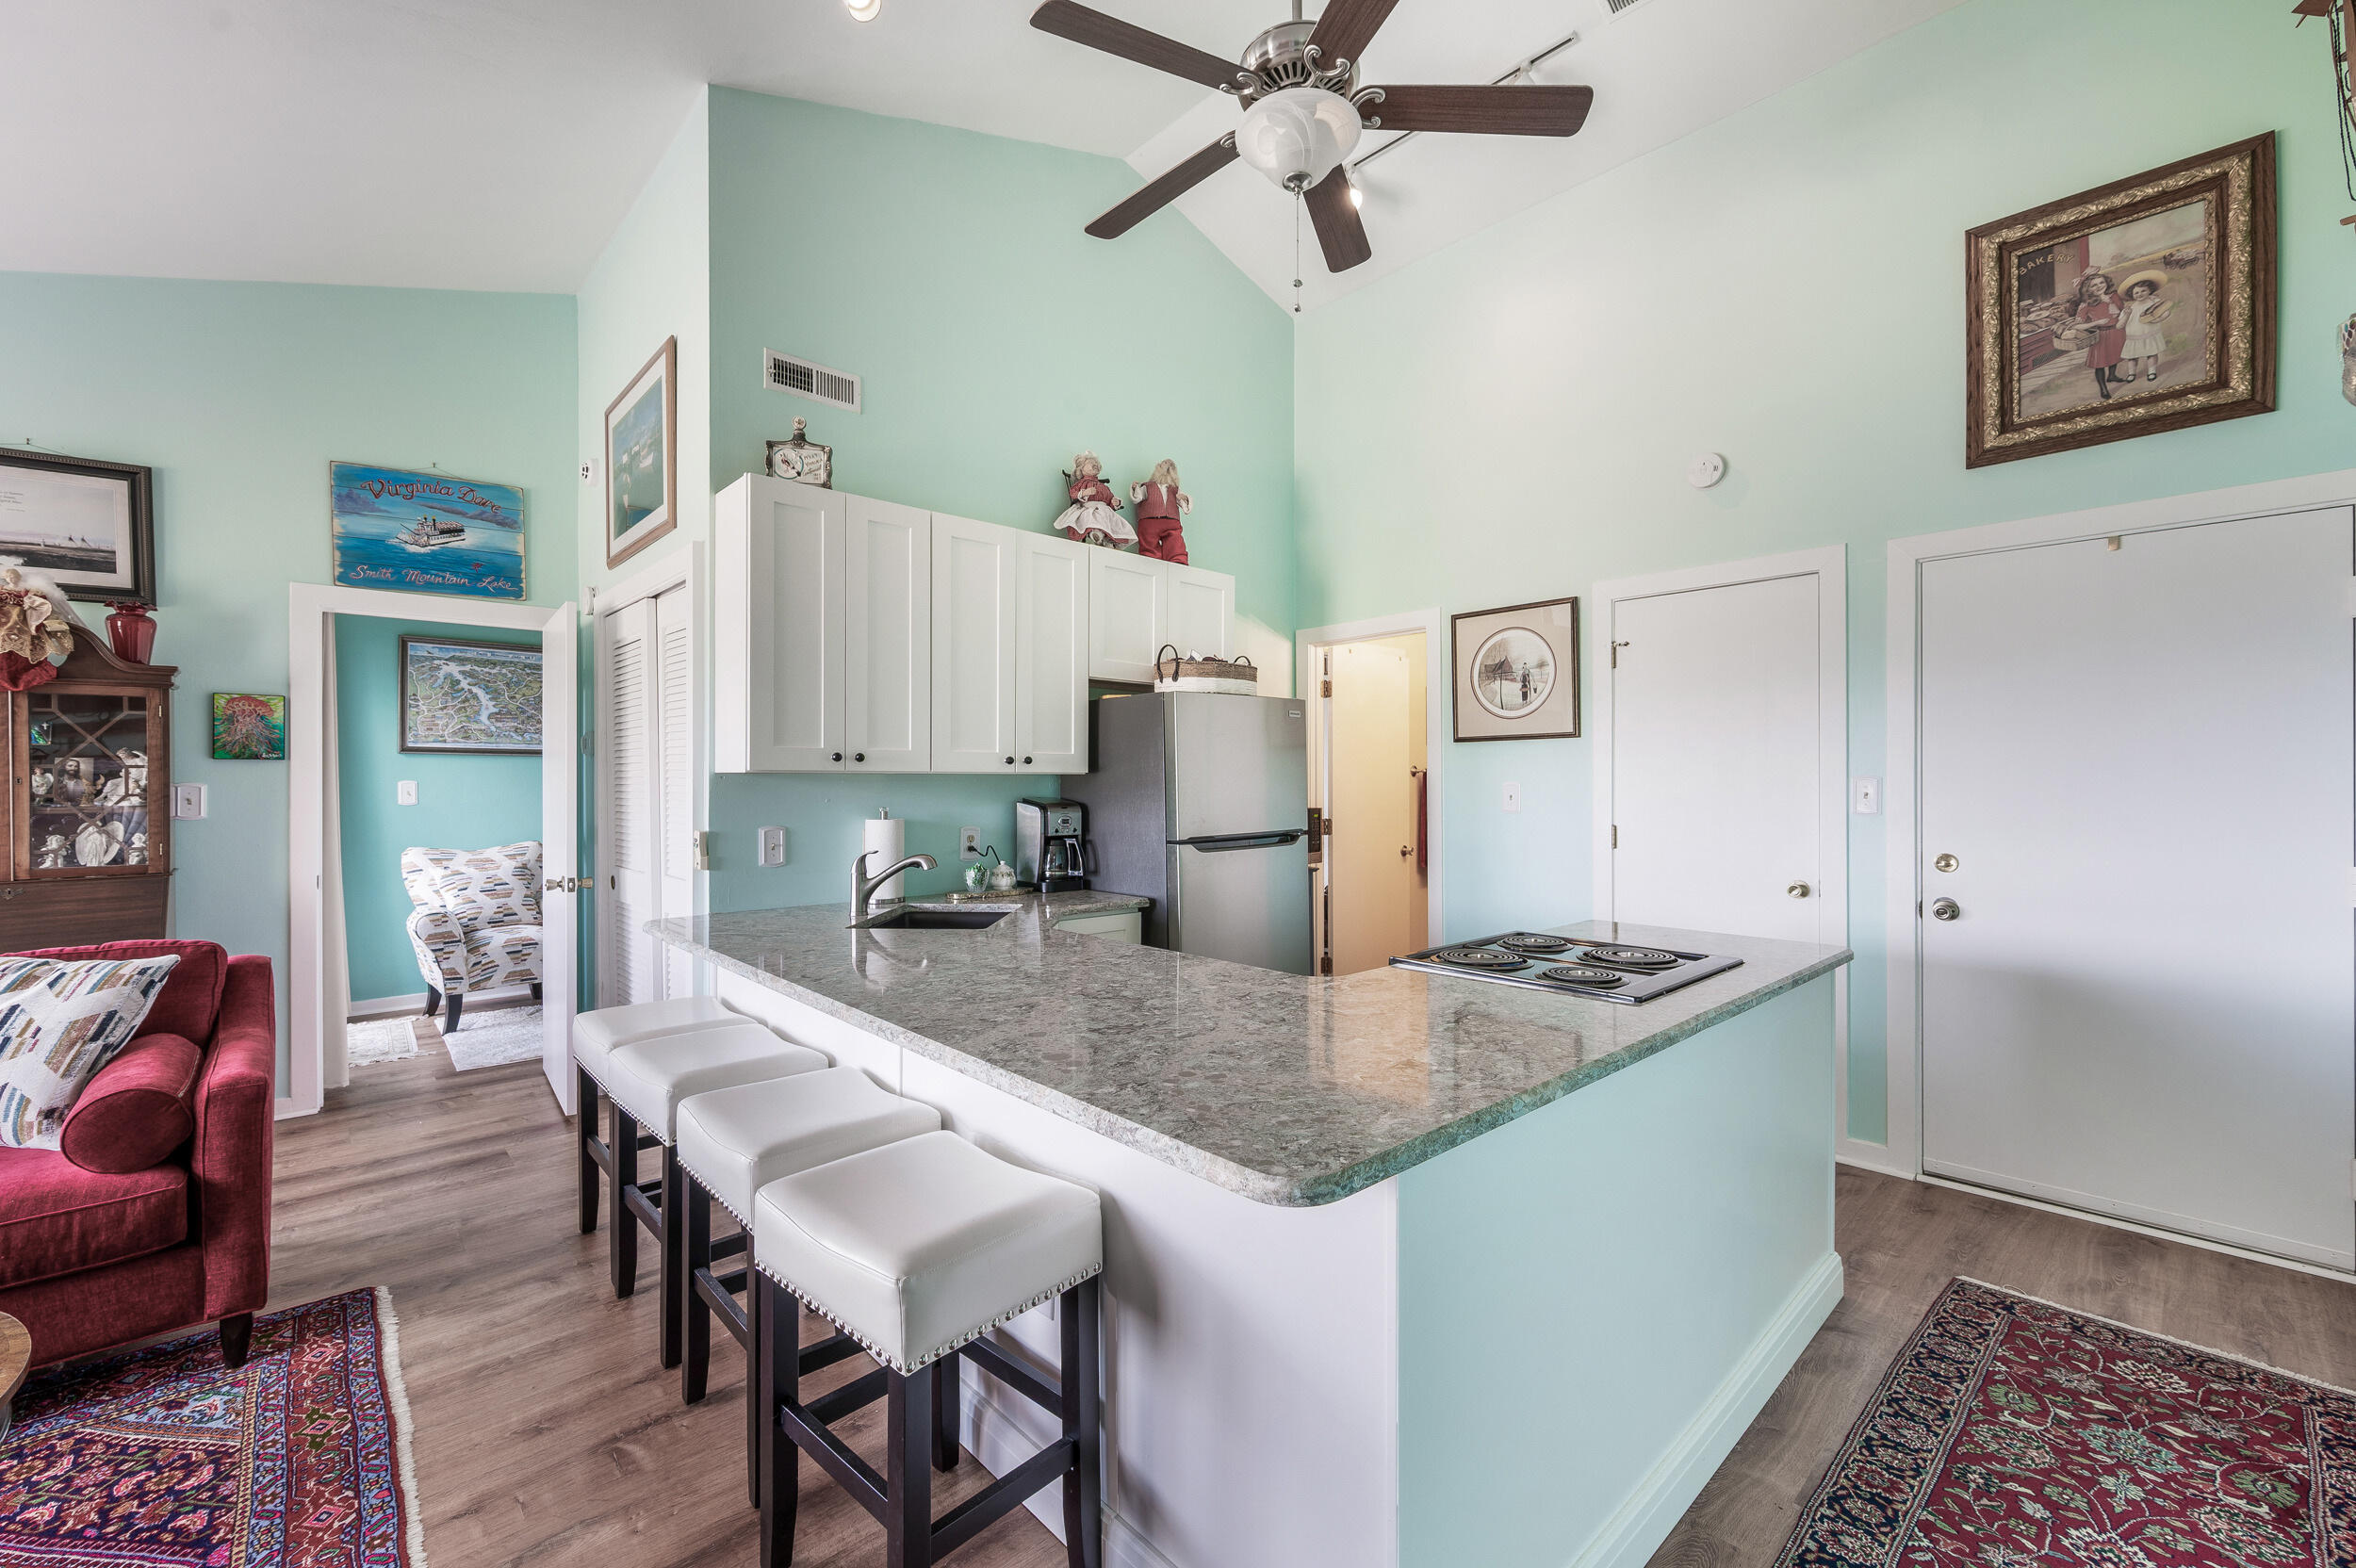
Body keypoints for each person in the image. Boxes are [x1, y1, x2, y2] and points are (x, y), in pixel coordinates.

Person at [2067, 270, 2128, 400]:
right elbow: (2076, 325)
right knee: (2100, 363)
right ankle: (2103, 388)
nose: (2099, 286)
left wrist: (2124, 314)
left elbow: (2122, 310)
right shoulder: (2086, 304)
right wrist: (2096, 323)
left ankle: (2112, 375)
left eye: (2101, 282)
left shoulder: (2114, 296)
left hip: (2117, 331)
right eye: (2094, 285)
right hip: (2101, 335)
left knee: (2115, 355)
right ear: (2087, 289)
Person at [2116, 270, 2173, 385]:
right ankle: (2132, 373)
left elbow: (2166, 312)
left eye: (2143, 291)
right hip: (2133, 337)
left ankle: (2152, 371)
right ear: (2131, 295)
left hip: (2149, 334)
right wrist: (2126, 315)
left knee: (2151, 353)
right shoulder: (2129, 307)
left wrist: (2158, 319)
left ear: (2149, 291)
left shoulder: (2154, 302)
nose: (2140, 294)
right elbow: (2119, 326)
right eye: (2136, 293)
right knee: (2132, 357)